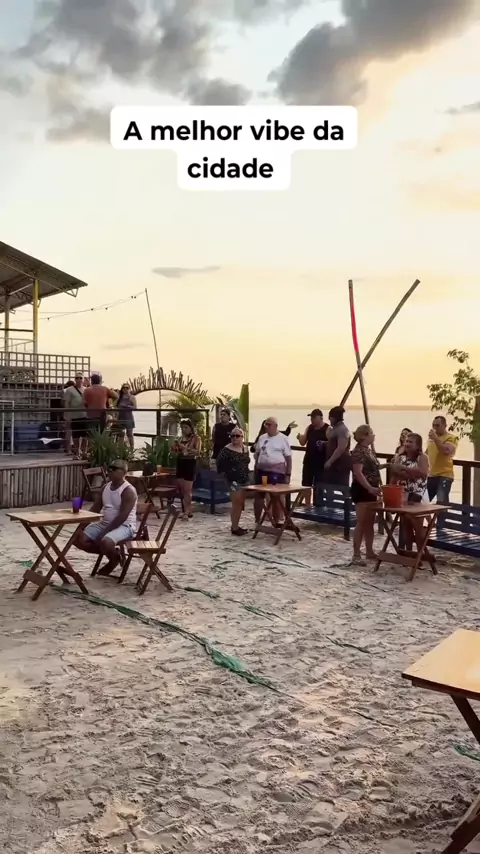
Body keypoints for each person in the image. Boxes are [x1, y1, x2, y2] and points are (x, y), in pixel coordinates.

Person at [76, 460, 137, 576]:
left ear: (124, 472)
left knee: (106, 541)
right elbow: (95, 509)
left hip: (125, 526)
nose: (110, 471)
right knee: (76, 538)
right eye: (109, 468)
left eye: (114, 468)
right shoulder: (105, 487)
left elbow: (122, 517)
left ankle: (113, 560)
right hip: (105, 523)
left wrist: (104, 533)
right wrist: (81, 527)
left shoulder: (128, 491)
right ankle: (113, 554)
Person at [391, 433, 429, 551]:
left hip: (418, 494)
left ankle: (421, 553)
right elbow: (396, 474)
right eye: (406, 441)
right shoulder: (400, 457)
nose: (407, 444)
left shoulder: (422, 457)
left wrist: (404, 469)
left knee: (418, 527)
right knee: (405, 526)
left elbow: (422, 472)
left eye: (410, 442)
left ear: (417, 445)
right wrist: (410, 472)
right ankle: (408, 552)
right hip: (403, 493)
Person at [350, 425, 381, 565]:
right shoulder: (358, 452)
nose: (373, 436)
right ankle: (356, 554)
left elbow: (373, 468)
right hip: (362, 489)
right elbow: (358, 472)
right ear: (365, 436)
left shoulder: (368, 450)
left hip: (372, 488)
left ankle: (369, 550)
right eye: (371, 433)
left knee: (370, 522)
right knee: (362, 521)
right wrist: (369, 487)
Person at [253, 416, 292, 524]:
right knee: (259, 495)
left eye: (269, 424)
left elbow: (288, 458)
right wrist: (256, 467)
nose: (267, 426)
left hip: (276, 473)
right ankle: (257, 520)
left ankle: (276, 521)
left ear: (275, 426)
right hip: (262, 472)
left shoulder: (283, 439)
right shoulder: (262, 438)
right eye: (265, 424)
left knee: (275, 497)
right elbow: (257, 453)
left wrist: (288, 474)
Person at [216, 427, 251, 536]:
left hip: (244, 479)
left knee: (240, 504)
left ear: (242, 437)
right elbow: (219, 464)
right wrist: (228, 475)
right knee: (236, 503)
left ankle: (236, 525)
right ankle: (234, 527)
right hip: (233, 480)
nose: (234, 438)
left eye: (237, 436)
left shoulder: (245, 449)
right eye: (232, 436)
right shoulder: (226, 450)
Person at [296, 408, 329, 503]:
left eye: (314, 417)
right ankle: (307, 504)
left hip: (320, 462)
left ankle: (317, 505)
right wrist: (299, 437)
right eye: (311, 417)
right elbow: (303, 442)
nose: (312, 420)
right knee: (306, 485)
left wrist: (324, 443)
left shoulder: (327, 429)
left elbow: (332, 443)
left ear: (321, 418)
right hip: (308, 461)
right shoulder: (310, 428)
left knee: (319, 486)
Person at [172, 419, 202, 520]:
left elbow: (197, 452)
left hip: (190, 463)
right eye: (182, 428)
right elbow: (176, 452)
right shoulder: (180, 438)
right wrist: (175, 447)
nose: (184, 429)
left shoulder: (196, 438)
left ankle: (187, 511)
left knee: (187, 489)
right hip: (180, 463)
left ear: (190, 428)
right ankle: (187, 510)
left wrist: (185, 448)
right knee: (182, 489)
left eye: (186, 427)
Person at [427, 415, 459, 503]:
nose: (435, 428)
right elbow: (427, 453)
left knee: (441, 502)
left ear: (445, 426)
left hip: (444, 475)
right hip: (431, 475)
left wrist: (436, 439)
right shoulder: (431, 439)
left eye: (437, 425)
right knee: (424, 500)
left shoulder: (451, 438)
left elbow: (446, 451)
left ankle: (443, 512)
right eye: (433, 425)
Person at [63, 373, 89, 458]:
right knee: (75, 436)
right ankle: (77, 453)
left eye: (80, 378)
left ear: (83, 379)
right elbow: (66, 404)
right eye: (77, 378)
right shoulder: (69, 390)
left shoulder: (86, 390)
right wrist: (67, 416)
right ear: (75, 379)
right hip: (74, 416)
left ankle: (84, 452)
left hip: (85, 415)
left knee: (85, 435)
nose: (78, 379)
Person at [324, 406, 351, 486]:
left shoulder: (342, 429)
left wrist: (330, 461)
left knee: (341, 486)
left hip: (340, 464)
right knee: (330, 485)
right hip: (335, 464)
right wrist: (325, 443)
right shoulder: (335, 429)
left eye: (330, 419)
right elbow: (334, 443)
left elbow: (341, 448)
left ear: (333, 418)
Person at [117, 383, 137, 450]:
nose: (125, 389)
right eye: (124, 388)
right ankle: (120, 449)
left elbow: (135, 407)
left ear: (129, 389)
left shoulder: (132, 397)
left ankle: (132, 449)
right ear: (122, 389)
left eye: (127, 388)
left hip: (128, 417)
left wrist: (126, 406)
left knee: (130, 434)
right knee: (121, 434)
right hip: (121, 417)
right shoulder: (120, 397)